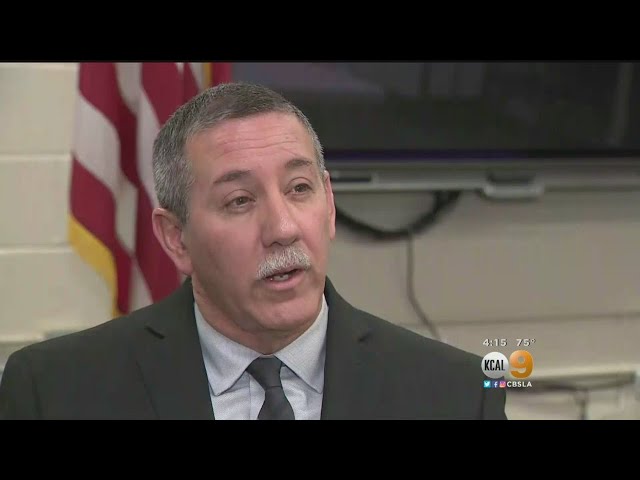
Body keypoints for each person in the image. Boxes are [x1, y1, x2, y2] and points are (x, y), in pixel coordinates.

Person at [0, 82, 507, 420]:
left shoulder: (456, 394)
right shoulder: (54, 393)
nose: (283, 228)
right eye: (239, 200)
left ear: (330, 206)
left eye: (300, 189)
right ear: (176, 237)